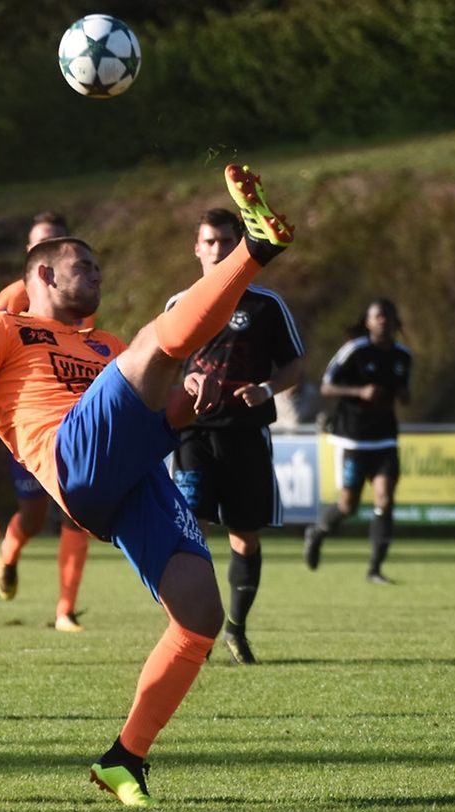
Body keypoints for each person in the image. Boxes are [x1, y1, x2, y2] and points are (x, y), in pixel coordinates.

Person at [0, 163, 294, 807]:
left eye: (99, 267)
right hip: (71, 459)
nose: (97, 275)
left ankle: (125, 758)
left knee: (200, 617)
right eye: (84, 266)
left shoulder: (104, 345)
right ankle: (256, 248)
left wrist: (190, 398)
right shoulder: (0, 329)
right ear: (44, 275)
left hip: (129, 474)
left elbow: (160, 413)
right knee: (156, 340)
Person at [167, 208, 305, 665]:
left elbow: (295, 366)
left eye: (226, 241)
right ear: (196, 248)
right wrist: (182, 386)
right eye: (209, 241)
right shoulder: (179, 304)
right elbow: (161, 367)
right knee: (192, 532)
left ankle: (237, 629)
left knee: (245, 536)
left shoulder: (266, 304)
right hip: (193, 435)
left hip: (246, 434)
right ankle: (194, 633)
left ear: (240, 244)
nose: (218, 249)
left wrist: (266, 388)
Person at [0, 211, 92, 632]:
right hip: (29, 428)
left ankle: (65, 610)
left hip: (72, 426)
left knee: (78, 516)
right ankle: (9, 553)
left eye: (55, 240)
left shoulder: (80, 297)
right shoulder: (12, 299)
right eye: (39, 242)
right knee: (32, 518)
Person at [303, 298, 411, 584]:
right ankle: (317, 532)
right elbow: (327, 387)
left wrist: (403, 396)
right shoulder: (355, 351)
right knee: (348, 505)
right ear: (368, 322)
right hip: (353, 439)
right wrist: (359, 392)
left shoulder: (403, 355)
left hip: (385, 439)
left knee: (384, 499)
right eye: (377, 316)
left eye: (387, 316)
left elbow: (404, 392)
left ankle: (375, 569)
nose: (383, 321)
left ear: (395, 321)